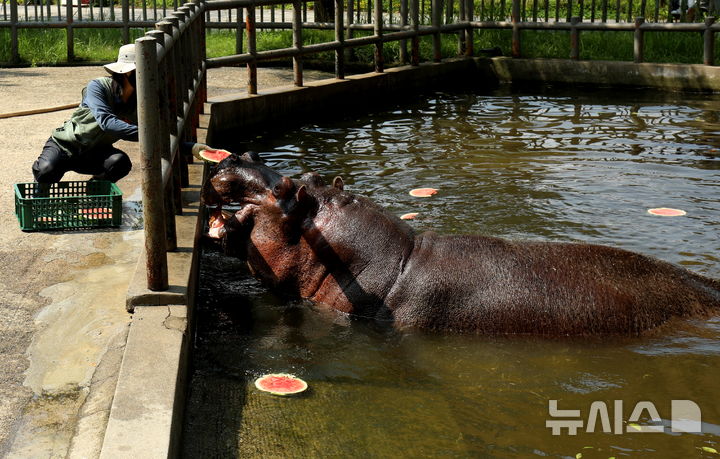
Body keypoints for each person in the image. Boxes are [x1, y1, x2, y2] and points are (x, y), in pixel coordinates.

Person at [31, 44, 138, 186]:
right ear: (128, 73)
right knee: (45, 172)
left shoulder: (140, 100)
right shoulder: (98, 86)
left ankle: (92, 193)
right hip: (65, 146)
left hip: (95, 151)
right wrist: (149, 134)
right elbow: (107, 123)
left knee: (120, 163)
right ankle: (38, 190)